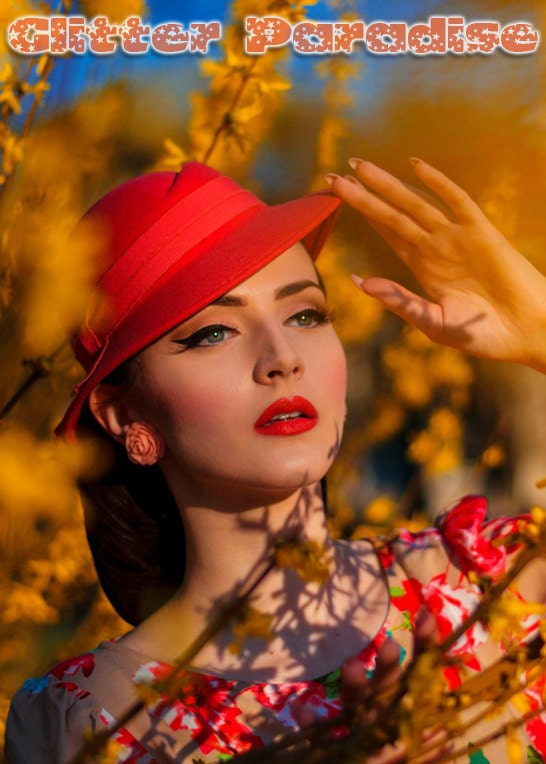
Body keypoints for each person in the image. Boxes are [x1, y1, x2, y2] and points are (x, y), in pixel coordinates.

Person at [5, 158, 546, 764]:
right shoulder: (87, 717)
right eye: (213, 333)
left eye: (306, 314)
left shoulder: (482, 582)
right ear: (123, 415)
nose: (283, 356)